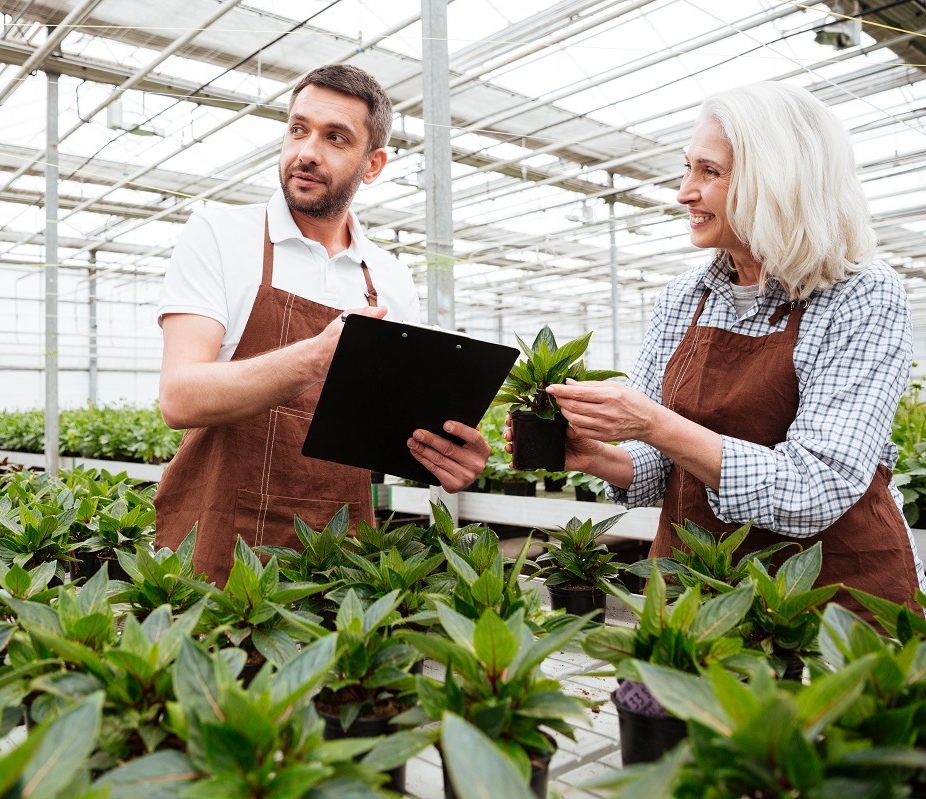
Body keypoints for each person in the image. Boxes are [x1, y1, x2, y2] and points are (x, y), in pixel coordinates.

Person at [516, 81, 925, 613]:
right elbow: (658, 465)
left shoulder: (861, 292)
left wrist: (655, 423)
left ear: (777, 181)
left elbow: (816, 486)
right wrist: (599, 456)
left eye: (709, 172)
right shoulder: (687, 296)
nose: (684, 191)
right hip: (698, 587)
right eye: (688, 168)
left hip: (825, 597)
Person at [154, 64, 490, 584]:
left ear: (372, 164)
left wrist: (448, 455)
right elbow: (180, 397)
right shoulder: (219, 233)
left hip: (339, 556)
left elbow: (392, 431)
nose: (307, 151)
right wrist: (314, 357)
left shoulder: (390, 278)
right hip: (218, 540)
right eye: (297, 128)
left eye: (335, 138)